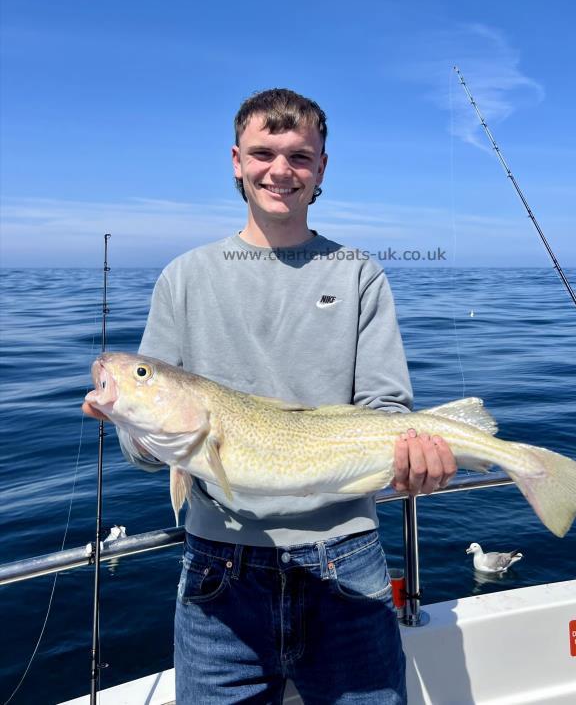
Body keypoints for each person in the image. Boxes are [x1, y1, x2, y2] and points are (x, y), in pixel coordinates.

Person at [83, 88, 456, 704]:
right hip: (217, 575)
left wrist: (415, 461)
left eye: (299, 157)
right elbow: (142, 454)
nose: (280, 170)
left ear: (322, 169)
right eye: (263, 153)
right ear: (236, 160)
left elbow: (388, 415)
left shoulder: (360, 273)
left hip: (348, 566)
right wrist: (133, 419)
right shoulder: (184, 278)